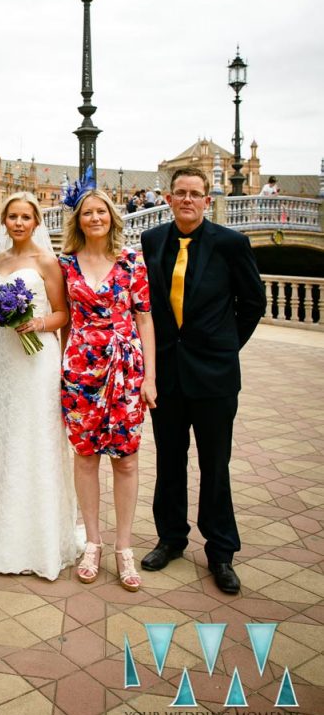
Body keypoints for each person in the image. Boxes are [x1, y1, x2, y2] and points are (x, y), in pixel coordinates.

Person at [140, 167, 266, 594]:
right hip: (167, 376)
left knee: (215, 465)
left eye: (196, 193)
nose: (188, 199)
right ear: (169, 197)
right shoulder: (153, 240)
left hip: (214, 378)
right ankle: (171, 538)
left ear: (207, 201)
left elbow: (252, 304)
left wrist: (224, 347)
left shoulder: (231, 244)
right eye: (181, 193)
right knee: (169, 462)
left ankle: (221, 552)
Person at [0, 192, 79, 580]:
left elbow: (63, 313)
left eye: (25, 217)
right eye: (11, 217)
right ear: (4, 221)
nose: (18, 223)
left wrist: (37, 323)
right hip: (4, 358)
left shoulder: (47, 261)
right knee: (5, 436)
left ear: (36, 222)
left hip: (38, 359)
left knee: (38, 437)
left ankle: (41, 537)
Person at [60, 188, 156, 590]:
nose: (94, 218)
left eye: (101, 212)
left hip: (125, 369)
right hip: (81, 369)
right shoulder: (65, 264)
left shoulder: (132, 261)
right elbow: (64, 319)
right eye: (87, 213)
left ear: (112, 217)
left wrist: (150, 377)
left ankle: (124, 548)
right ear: (78, 220)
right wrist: (58, 368)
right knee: (85, 458)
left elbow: (145, 321)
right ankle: (93, 544)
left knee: (126, 460)